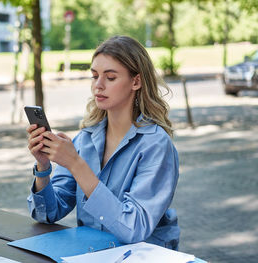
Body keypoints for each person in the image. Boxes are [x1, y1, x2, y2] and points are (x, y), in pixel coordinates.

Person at [25, 35, 181, 250]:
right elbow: (47, 214)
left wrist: (76, 164)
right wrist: (43, 168)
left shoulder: (155, 145)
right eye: (94, 75)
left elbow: (134, 228)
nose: (98, 85)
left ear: (135, 81)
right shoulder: (85, 139)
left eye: (110, 77)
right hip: (92, 254)